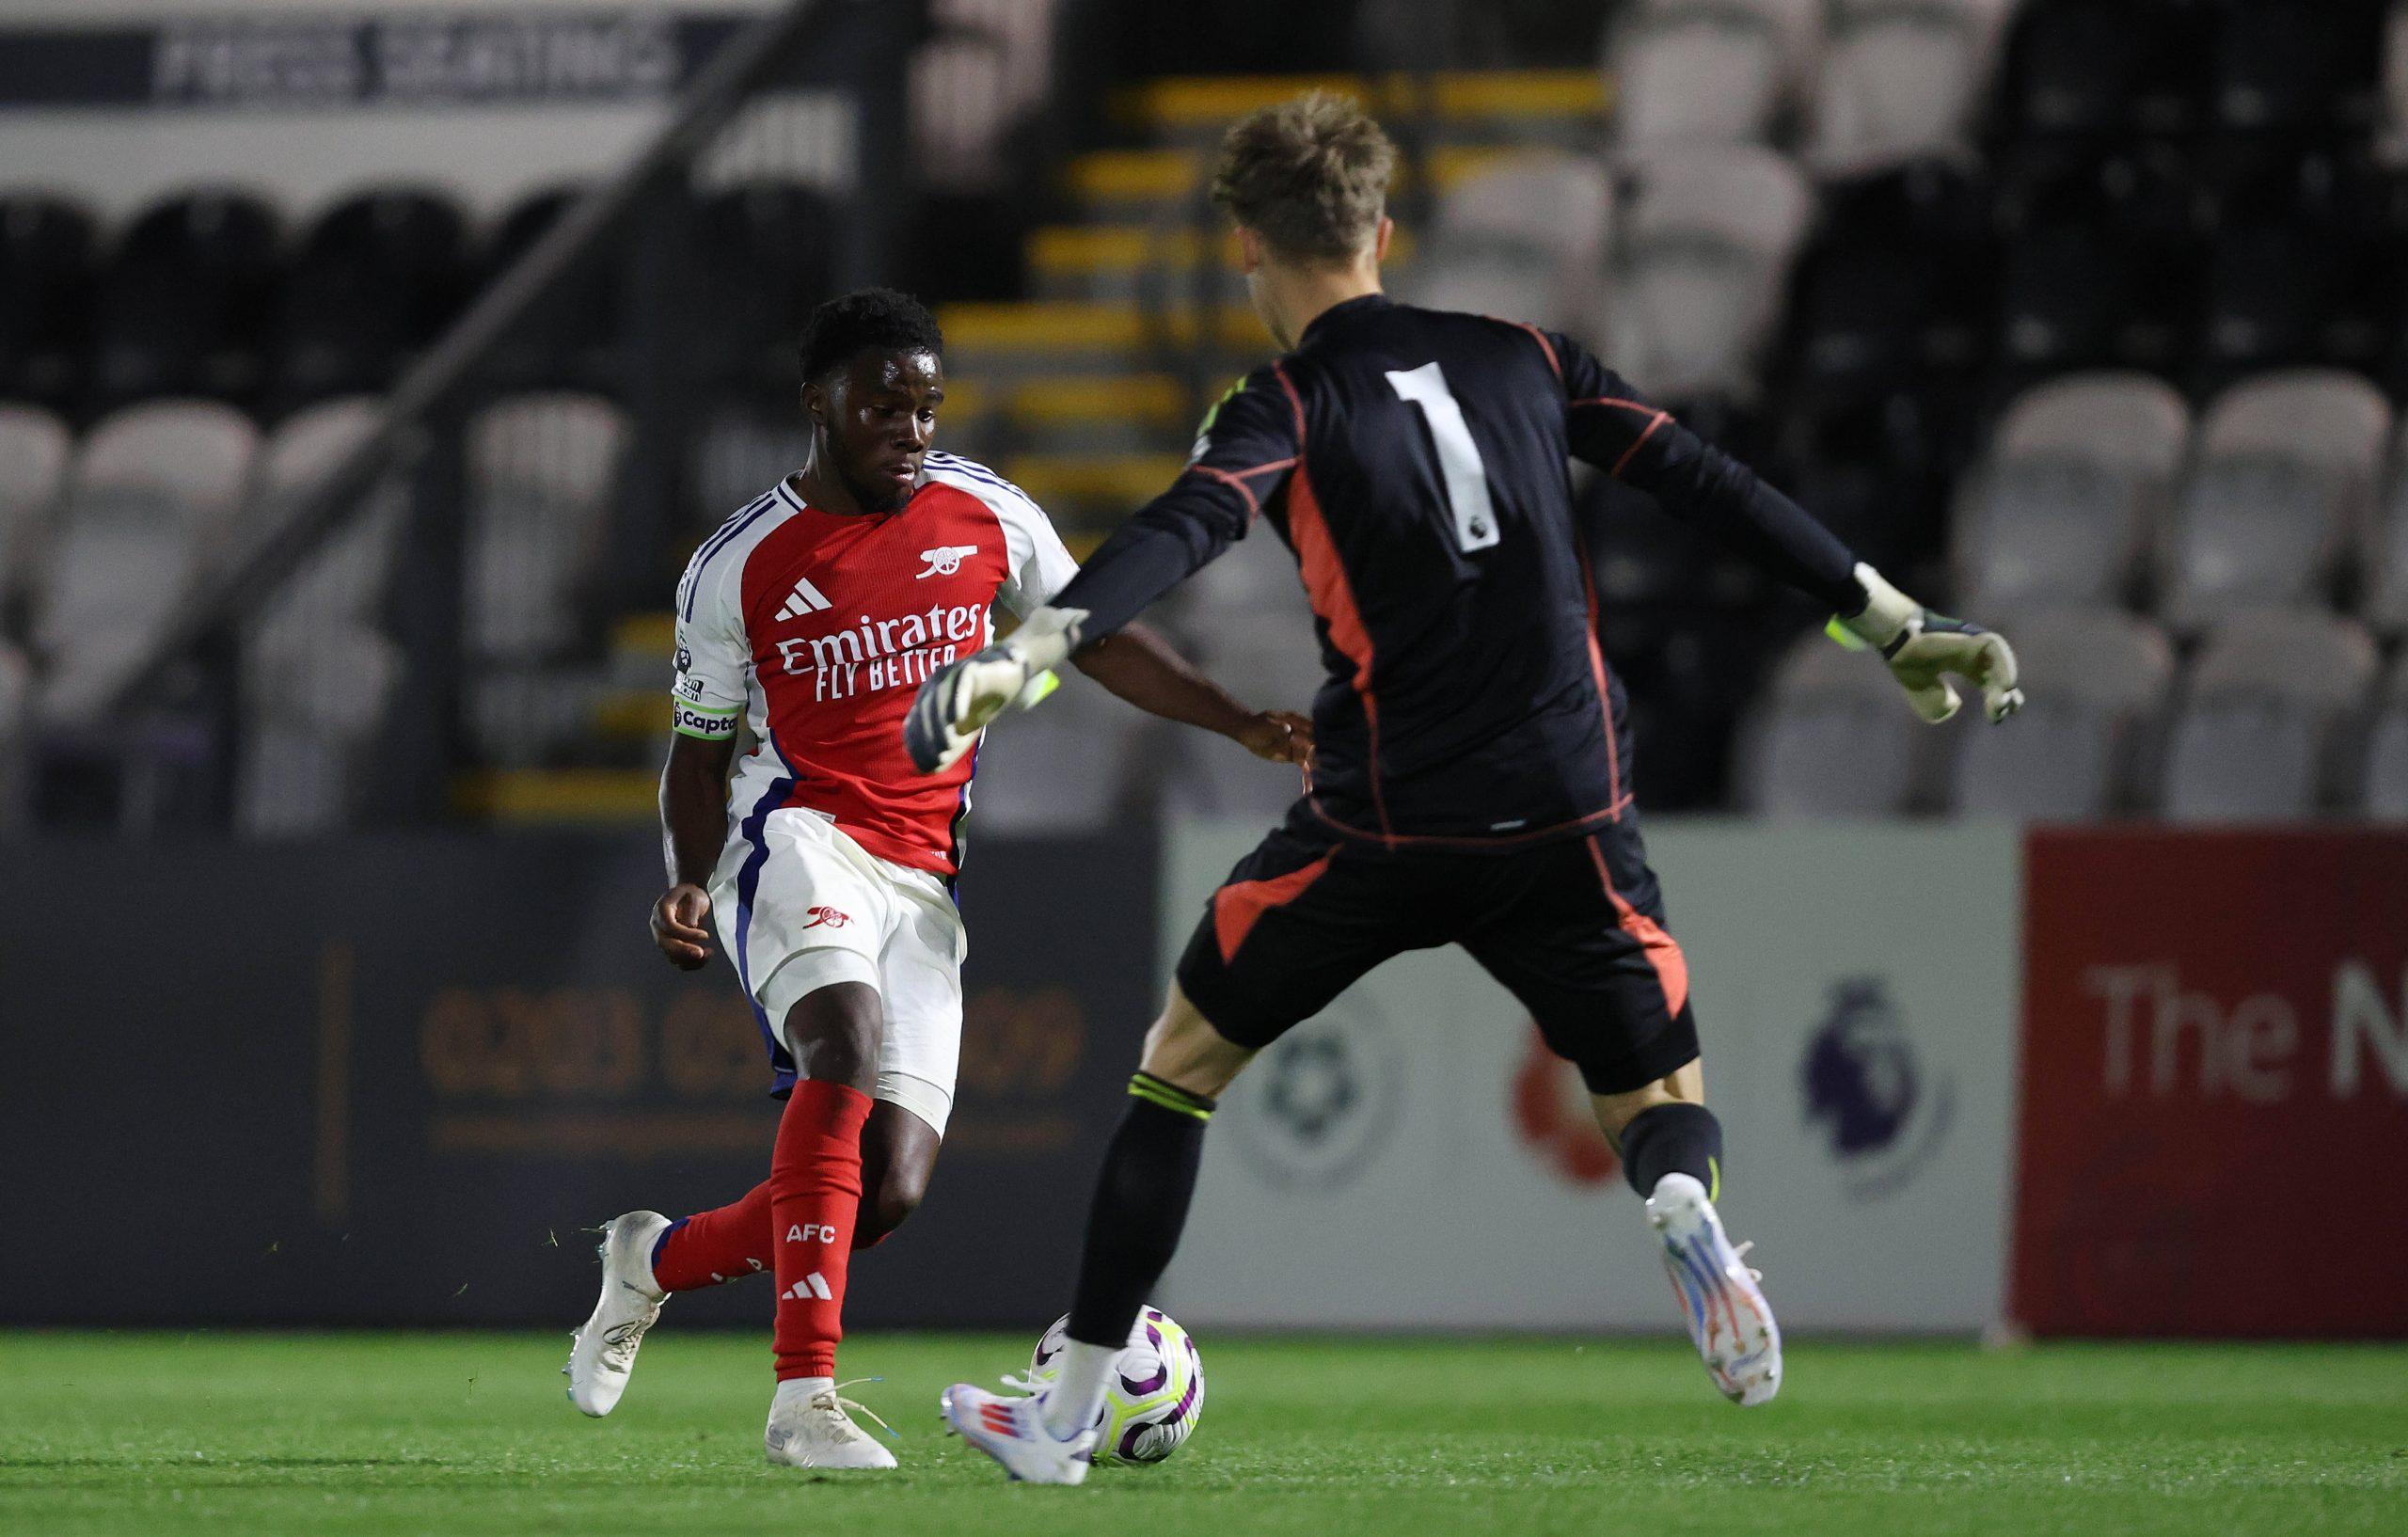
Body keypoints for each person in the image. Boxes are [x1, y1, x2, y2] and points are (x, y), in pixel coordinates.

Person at [905, 95, 2022, 1484]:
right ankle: (1683, 1203)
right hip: (1569, 807)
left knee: (1180, 1067)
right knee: (1655, 1087)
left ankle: (1068, 1410)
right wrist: (1895, 619)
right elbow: (1708, 481)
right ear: (1384, 229)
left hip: (1382, 817)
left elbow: (1186, 526)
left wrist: (1038, 649)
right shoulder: (1529, 357)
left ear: (1246, 245)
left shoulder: (1286, 403)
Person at [562, 288, 1310, 1469]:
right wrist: (689, 878)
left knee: (887, 1190)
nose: (911, 430)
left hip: (922, 873)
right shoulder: (736, 565)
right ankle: (803, 1400)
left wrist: (1235, 722)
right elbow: (699, 754)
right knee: (842, 1043)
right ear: (819, 405)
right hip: (794, 834)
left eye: (926, 408)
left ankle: (650, 1260)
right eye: (883, 406)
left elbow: (1092, 636)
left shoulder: (988, 516)